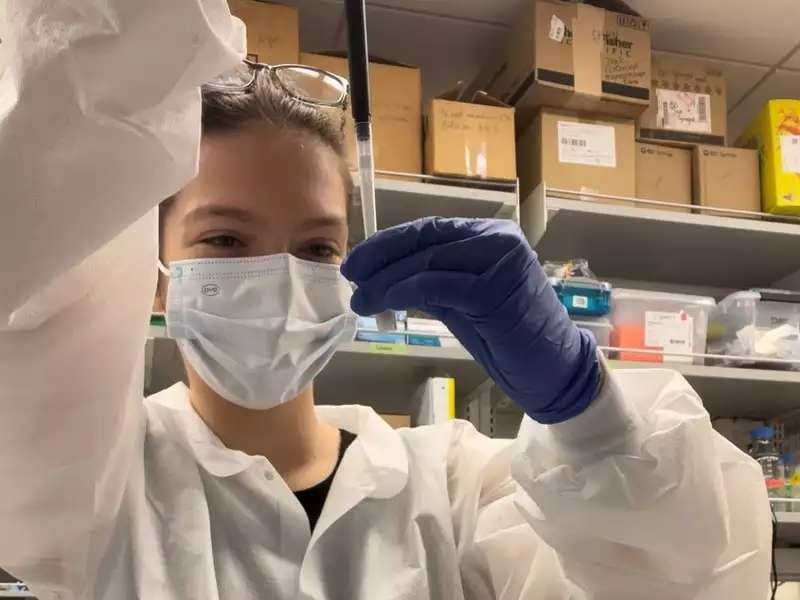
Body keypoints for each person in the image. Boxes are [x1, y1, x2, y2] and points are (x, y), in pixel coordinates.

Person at [0, 2, 770, 599]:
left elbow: (689, 578)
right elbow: (55, 141)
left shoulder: (459, 486)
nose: (278, 277)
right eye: (226, 242)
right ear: (157, 271)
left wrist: (587, 411)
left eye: (316, 248)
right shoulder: (93, 480)